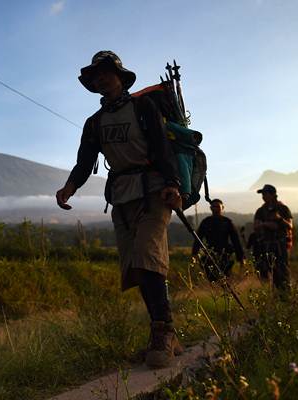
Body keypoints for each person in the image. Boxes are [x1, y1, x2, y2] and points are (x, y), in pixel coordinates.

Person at [55, 51, 183, 368]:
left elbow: (160, 146)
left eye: (106, 72)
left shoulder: (143, 107)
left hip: (153, 188)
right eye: (95, 75)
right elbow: (85, 162)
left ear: (119, 76)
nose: (100, 78)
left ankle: (163, 332)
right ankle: (165, 333)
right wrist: (69, 188)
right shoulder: (95, 123)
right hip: (122, 196)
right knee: (136, 267)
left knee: (147, 255)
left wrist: (172, 182)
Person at [191, 199, 244, 281]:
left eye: (217, 206)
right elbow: (198, 239)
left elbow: (235, 240)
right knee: (212, 279)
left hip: (225, 255)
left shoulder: (227, 222)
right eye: (213, 207)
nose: (215, 209)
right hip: (210, 254)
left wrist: (240, 258)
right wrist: (194, 254)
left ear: (222, 208)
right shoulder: (206, 222)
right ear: (211, 208)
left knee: (226, 278)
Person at [253, 184, 293, 291]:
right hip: (266, 246)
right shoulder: (260, 211)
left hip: (280, 245)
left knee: (282, 271)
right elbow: (256, 226)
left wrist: (279, 219)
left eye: (265, 194)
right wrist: (267, 224)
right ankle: (272, 295)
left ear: (273, 194)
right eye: (263, 194)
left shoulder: (283, 209)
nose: (263, 196)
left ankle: (285, 295)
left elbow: (290, 225)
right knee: (266, 271)